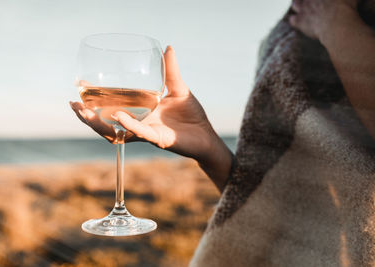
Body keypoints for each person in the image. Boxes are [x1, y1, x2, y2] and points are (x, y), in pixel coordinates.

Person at [71, 0, 375, 265]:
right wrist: (208, 147)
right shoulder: (284, 34)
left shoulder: (328, 16)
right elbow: (267, 195)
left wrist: (336, 21)